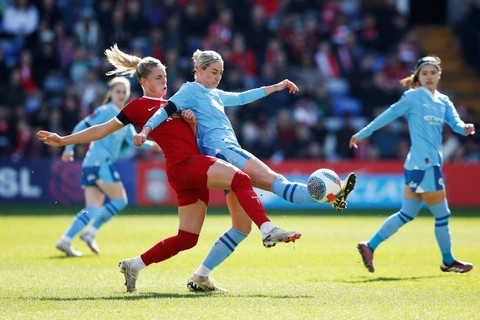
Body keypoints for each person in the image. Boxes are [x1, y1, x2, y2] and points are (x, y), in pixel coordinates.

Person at [37, 44, 301, 293]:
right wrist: (64, 140)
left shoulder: (177, 104)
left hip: (194, 169)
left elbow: (196, 138)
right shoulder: (139, 106)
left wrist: (193, 124)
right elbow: (102, 130)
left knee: (187, 238)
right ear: (143, 82)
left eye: (165, 77)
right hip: (183, 166)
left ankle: (134, 265)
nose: (164, 82)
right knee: (240, 179)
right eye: (158, 78)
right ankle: (267, 230)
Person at [134, 49, 356, 291]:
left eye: (221, 72)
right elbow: (163, 110)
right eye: (213, 72)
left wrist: (276, 86)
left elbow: (241, 98)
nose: (218, 77)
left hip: (222, 157)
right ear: (199, 70)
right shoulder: (190, 90)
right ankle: (301, 211)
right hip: (224, 151)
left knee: (241, 227)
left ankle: (200, 276)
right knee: (277, 182)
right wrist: (145, 130)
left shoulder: (213, 94)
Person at [350, 55, 475, 274]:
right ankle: (448, 261)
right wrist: (362, 134)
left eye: (433, 72)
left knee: (406, 213)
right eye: (425, 73)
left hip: (420, 164)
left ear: (439, 75)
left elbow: (455, 124)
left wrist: (464, 127)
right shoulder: (413, 97)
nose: (429, 76)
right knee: (442, 215)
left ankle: (369, 246)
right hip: (424, 164)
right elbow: (387, 116)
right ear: (417, 75)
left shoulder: (443, 101)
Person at [55, 76, 161, 257]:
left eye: (124, 92)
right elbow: (83, 125)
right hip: (100, 162)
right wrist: (69, 148)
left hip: (92, 163)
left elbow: (133, 140)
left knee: (93, 209)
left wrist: (154, 146)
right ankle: (90, 232)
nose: (121, 95)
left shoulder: (123, 117)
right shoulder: (106, 111)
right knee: (120, 201)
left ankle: (66, 239)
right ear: (110, 93)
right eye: (117, 91)